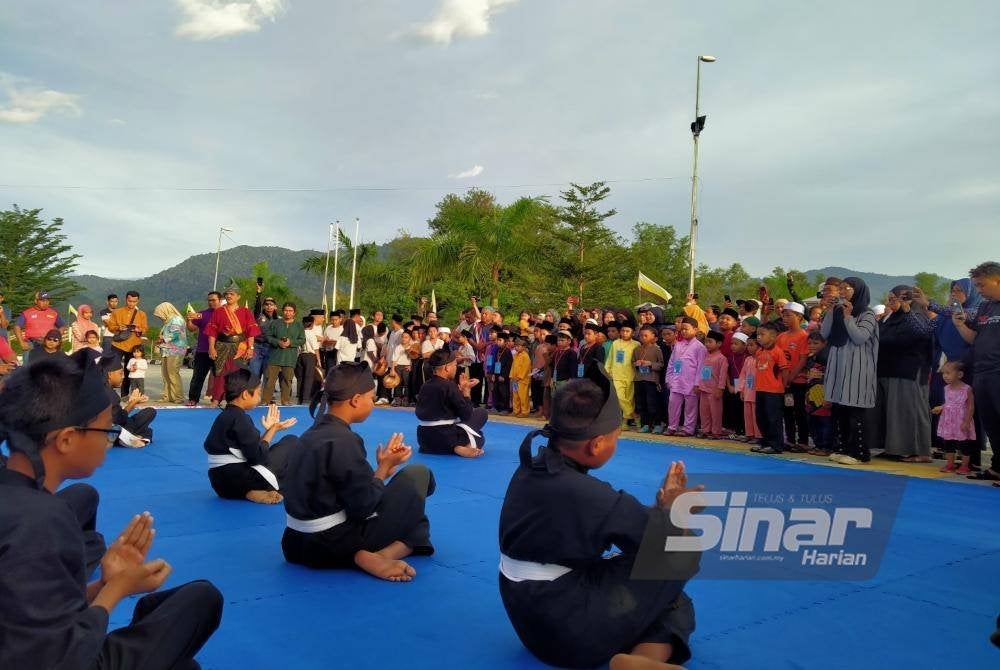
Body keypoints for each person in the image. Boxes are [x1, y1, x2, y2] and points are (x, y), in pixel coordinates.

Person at [0, 351, 223, 669]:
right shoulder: (42, 520)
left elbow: (29, 614)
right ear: (65, 439)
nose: (109, 442)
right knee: (203, 599)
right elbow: (62, 658)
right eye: (106, 431)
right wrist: (118, 588)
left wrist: (103, 584)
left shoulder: (16, 497)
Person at [499, 366, 697, 670]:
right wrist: (673, 511)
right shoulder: (594, 496)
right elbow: (666, 549)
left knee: (670, 597)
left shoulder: (531, 466)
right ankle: (643, 660)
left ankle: (639, 659)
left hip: (528, 622)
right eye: (616, 437)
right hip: (571, 631)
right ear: (596, 444)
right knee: (682, 560)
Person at [282, 362, 436, 580]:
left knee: (415, 514)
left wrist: (384, 469)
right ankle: (372, 556)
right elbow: (362, 507)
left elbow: (337, 490)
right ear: (355, 400)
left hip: (296, 542)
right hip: (333, 543)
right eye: (371, 398)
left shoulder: (310, 434)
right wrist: (382, 469)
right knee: (419, 476)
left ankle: (377, 553)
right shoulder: (345, 440)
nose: (372, 404)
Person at [204, 369, 298, 503]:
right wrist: (273, 429)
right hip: (242, 479)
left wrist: (270, 430)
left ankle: (248, 493)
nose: (259, 398)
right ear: (245, 395)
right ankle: (259, 488)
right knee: (291, 441)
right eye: (258, 393)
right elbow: (257, 457)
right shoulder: (240, 418)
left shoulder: (224, 416)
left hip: (220, 484)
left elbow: (247, 450)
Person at [869, 285, 934, 462]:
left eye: (894, 299)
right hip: (889, 369)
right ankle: (894, 448)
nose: (890, 303)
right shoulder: (890, 317)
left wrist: (879, 340)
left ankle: (920, 451)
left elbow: (907, 338)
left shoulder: (917, 316)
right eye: (889, 299)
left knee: (911, 411)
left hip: (909, 370)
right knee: (893, 413)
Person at [821, 277, 879, 466]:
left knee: (854, 410)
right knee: (840, 409)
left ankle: (859, 452)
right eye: (841, 288)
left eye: (847, 288)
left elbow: (860, 336)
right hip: (839, 365)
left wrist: (848, 317)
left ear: (859, 291)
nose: (843, 291)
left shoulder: (867, 314)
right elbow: (824, 333)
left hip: (858, 368)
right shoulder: (838, 310)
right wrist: (830, 312)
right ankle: (843, 448)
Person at [951, 261, 1000, 483]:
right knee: (991, 423)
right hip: (982, 372)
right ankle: (997, 467)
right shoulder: (985, 307)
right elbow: (974, 340)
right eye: (976, 286)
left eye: (981, 285)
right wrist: (961, 326)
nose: (979, 290)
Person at [415, 348, 489, 457]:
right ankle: (458, 447)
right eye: (454, 365)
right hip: (446, 438)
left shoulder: (425, 386)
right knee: (481, 419)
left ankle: (456, 446)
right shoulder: (449, 386)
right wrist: (466, 392)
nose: (456, 368)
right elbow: (466, 414)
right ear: (446, 368)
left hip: (424, 439)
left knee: (475, 431)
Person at [205, 285, 261, 405]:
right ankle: (216, 399)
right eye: (227, 294)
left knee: (237, 373)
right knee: (220, 372)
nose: (229, 296)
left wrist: (250, 348)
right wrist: (211, 347)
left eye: (232, 294)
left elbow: (251, 332)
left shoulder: (246, 312)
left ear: (238, 296)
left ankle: (233, 399)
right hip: (222, 345)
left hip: (240, 346)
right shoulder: (219, 311)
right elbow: (212, 331)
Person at [749, 322, 790, 455]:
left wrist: (783, 386)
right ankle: (765, 442)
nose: (759, 337)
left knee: (773, 418)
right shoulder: (759, 351)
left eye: (762, 334)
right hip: (760, 389)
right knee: (761, 417)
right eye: (758, 334)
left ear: (773, 337)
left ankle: (776, 445)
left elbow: (784, 370)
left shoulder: (778, 352)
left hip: (773, 391)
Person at [776, 302, 810, 451]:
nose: (785, 318)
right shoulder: (781, 336)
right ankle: (789, 439)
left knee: (800, 411)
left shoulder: (804, 336)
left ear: (799, 317)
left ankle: (802, 441)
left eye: (788, 315)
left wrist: (791, 377)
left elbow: (803, 359)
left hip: (798, 381)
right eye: (784, 315)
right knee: (787, 410)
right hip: (783, 381)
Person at [102, 354, 156, 445]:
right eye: (120, 373)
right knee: (150, 412)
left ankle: (140, 436)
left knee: (146, 427)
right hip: (105, 432)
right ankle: (131, 437)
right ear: (110, 374)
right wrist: (133, 403)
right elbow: (119, 420)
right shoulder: (109, 394)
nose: (123, 377)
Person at [933, 360, 976, 475]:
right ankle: (950, 464)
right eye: (943, 373)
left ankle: (965, 466)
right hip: (948, 421)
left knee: (964, 444)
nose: (945, 376)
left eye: (948, 373)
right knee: (949, 442)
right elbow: (949, 403)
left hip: (961, 421)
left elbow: (971, 407)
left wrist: (967, 422)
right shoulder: (946, 388)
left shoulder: (967, 389)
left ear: (960, 375)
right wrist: (941, 407)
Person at [665, 318, 706, 437]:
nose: (683, 331)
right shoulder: (678, 345)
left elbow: (701, 366)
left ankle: (688, 429)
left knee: (690, 407)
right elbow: (671, 363)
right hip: (676, 381)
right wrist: (669, 379)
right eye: (682, 329)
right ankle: (672, 427)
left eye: (686, 329)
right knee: (673, 405)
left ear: (695, 329)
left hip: (691, 383)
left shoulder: (700, 347)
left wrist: (698, 383)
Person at [106, 291, 148, 399]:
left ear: (138, 301)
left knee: (129, 370)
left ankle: (124, 395)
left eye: (134, 301)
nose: (132, 303)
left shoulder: (141, 314)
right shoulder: (117, 312)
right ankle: (108, 392)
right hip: (118, 344)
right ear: (126, 299)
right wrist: (119, 328)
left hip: (134, 346)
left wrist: (139, 329)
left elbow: (145, 329)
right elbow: (110, 326)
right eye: (130, 301)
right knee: (113, 368)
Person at [262, 302, 305, 406]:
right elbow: (268, 337)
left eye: (290, 311)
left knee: (287, 380)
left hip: (290, 357)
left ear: (294, 313)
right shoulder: (275, 323)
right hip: (275, 356)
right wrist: (278, 342)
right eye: (286, 310)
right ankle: (265, 401)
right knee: (269, 380)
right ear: (283, 311)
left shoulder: (298, 325)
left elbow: (302, 340)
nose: (288, 313)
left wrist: (291, 342)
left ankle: (285, 400)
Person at [185, 291, 221, 407]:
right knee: (198, 376)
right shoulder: (201, 314)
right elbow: (191, 328)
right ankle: (193, 399)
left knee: (219, 377)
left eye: (214, 300)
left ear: (220, 300)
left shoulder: (225, 314)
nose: (211, 302)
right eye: (209, 300)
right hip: (202, 351)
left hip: (220, 351)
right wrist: (189, 319)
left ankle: (217, 399)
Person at [804, 332, 834, 456]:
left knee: (825, 421)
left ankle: (826, 446)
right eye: (809, 343)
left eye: (816, 343)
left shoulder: (829, 359)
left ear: (825, 343)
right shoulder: (810, 359)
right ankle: (818, 445)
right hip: (811, 395)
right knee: (813, 421)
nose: (812, 346)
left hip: (824, 394)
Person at [606, 320, 639, 429]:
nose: (625, 333)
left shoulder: (636, 344)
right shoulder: (615, 343)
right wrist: (607, 371)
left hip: (631, 375)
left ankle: (624, 423)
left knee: (629, 399)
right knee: (619, 397)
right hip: (616, 375)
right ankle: (635, 415)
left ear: (633, 333)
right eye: (623, 331)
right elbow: (610, 358)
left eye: (627, 331)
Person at [633, 324, 665, 434]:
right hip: (639, 379)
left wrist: (650, 363)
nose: (643, 338)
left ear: (653, 337)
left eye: (646, 336)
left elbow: (661, 364)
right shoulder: (637, 349)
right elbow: (632, 362)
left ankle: (656, 424)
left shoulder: (656, 350)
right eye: (641, 336)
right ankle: (645, 424)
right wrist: (636, 363)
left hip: (651, 380)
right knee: (641, 403)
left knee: (652, 403)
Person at [154, 302, 187, 404]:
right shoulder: (168, 321)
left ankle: (178, 397)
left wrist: (162, 339)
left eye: (160, 314)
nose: (161, 317)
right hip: (166, 350)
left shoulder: (176, 319)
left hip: (175, 350)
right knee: (165, 374)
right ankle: (167, 396)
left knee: (173, 374)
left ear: (165, 311)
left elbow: (175, 334)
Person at [696, 330, 728, 439]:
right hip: (704, 388)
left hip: (714, 390)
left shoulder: (721, 359)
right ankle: (705, 430)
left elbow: (723, 376)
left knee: (715, 412)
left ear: (719, 344)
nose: (707, 344)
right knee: (704, 411)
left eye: (710, 342)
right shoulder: (705, 356)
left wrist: (720, 388)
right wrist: (699, 385)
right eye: (706, 342)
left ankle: (716, 432)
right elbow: (701, 372)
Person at [13, 290, 65, 355]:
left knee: (49, 364)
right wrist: (21, 342)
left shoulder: (53, 313)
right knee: (30, 364)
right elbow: (16, 326)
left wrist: (56, 339)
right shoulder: (27, 313)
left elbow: (62, 326)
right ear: (36, 301)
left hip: (48, 344)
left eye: (47, 301)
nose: (45, 303)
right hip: (31, 344)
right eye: (42, 301)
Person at [737, 336, 762, 443]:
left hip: (756, 391)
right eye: (748, 345)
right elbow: (743, 375)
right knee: (747, 414)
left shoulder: (761, 359)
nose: (749, 348)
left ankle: (758, 435)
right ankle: (749, 433)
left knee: (756, 415)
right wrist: (741, 390)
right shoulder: (748, 359)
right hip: (747, 391)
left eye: (752, 345)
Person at [492, 331, 514, 415]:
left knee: (504, 392)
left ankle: (505, 408)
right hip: (497, 373)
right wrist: (494, 374)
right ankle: (496, 407)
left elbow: (508, 366)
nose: (498, 342)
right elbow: (495, 362)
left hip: (504, 375)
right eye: (497, 340)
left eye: (500, 340)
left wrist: (503, 375)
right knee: (496, 390)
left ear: (506, 342)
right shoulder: (497, 350)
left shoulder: (508, 352)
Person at [510, 337, 532, 418]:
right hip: (515, 380)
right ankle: (516, 411)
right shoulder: (516, 355)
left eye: (518, 346)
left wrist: (519, 377)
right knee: (515, 396)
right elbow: (513, 366)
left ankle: (525, 412)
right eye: (516, 346)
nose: (516, 347)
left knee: (523, 396)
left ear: (523, 347)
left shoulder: (525, 356)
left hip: (522, 380)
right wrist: (511, 376)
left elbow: (525, 368)